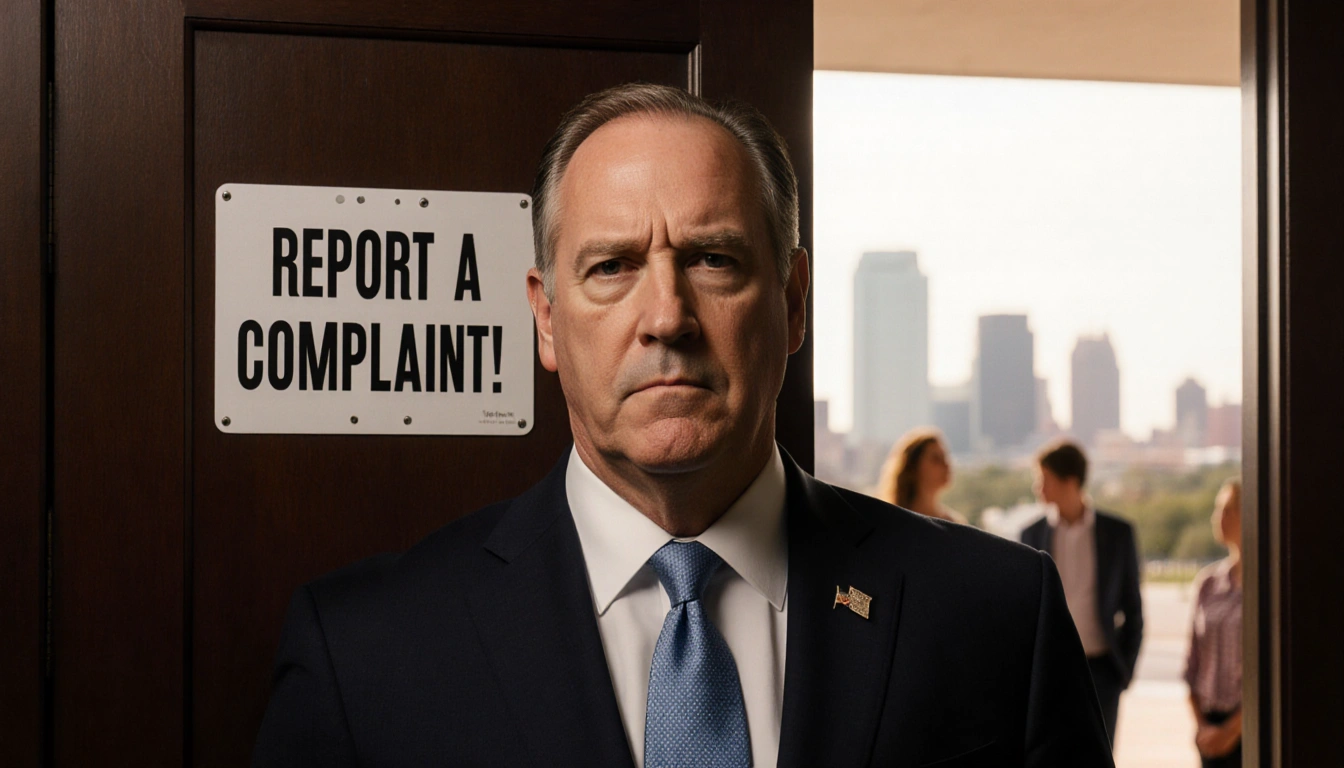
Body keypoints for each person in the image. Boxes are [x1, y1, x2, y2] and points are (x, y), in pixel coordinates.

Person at [252, 83, 1114, 767]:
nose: (667, 316)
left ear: (794, 302)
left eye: (713, 259)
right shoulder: (363, 653)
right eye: (612, 266)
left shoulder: (997, 617)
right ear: (546, 319)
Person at [1020, 440, 1144, 748]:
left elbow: (1134, 608)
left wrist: (1123, 672)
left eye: (1043, 478)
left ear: (1069, 481)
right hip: (1050, 670)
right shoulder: (1031, 535)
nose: (1038, 488)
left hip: (1102, 672)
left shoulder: (1118, 533)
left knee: (1098, 757)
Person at [1184, 479, 1243, 767]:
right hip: (1208, 727)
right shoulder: (1207, 583)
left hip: (1250, 727)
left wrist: (1233, 731)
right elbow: (1192, 662)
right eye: (1218, 509)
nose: (1218, 518)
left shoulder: (1267, 588)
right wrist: (1202, 727)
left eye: (1229, 509)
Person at [876, 428, 967, 524]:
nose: (946, 464)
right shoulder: (892, 520)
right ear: (913, 467)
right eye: (936, 459)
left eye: (945, 457)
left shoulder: (954, 523)